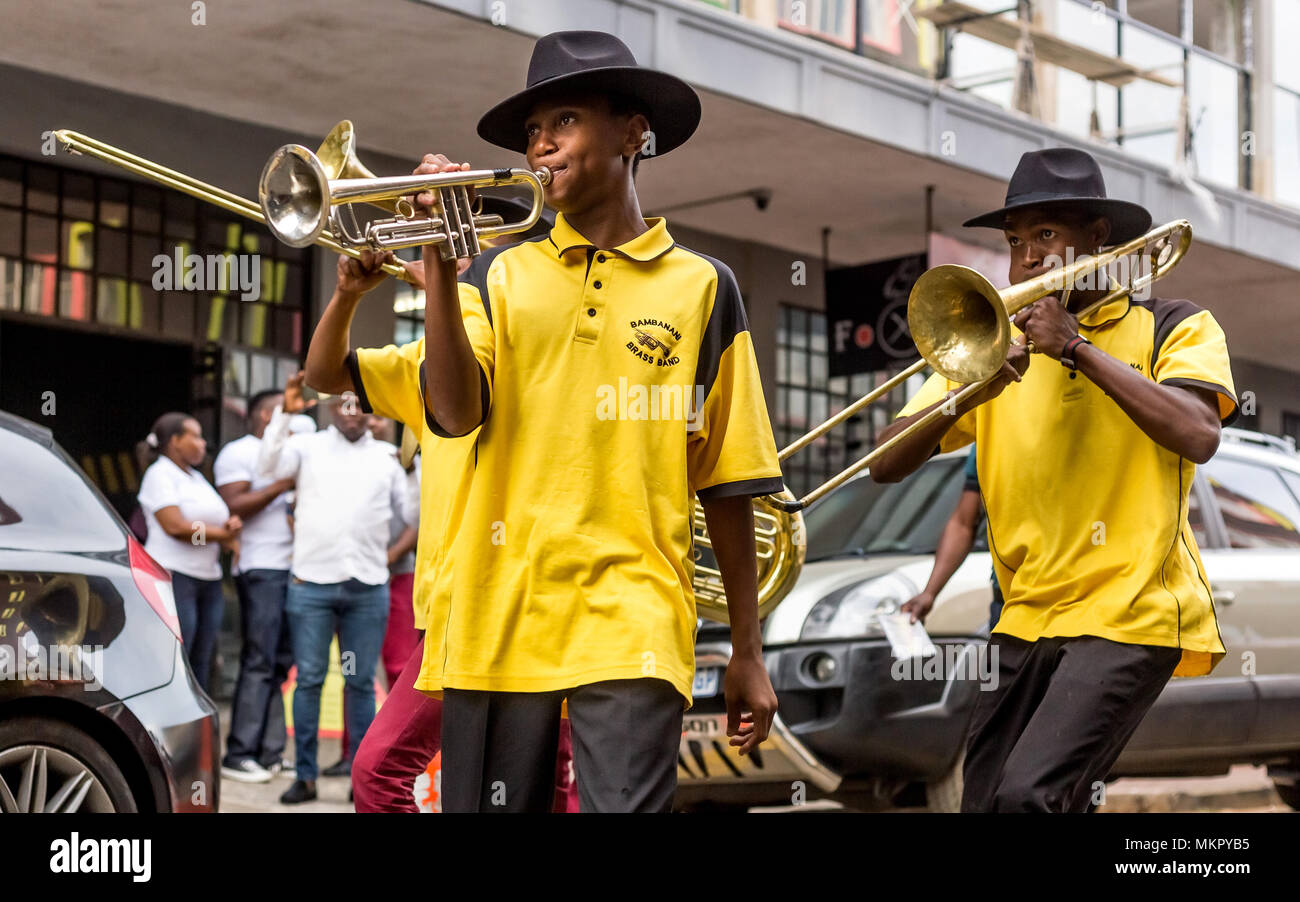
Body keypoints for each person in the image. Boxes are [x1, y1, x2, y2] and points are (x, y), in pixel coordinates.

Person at [309, 30, 784, 813]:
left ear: (634, 132)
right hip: (496, 620)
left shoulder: (707, 287)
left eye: (562, 121)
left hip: (631, 620)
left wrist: (746, 650)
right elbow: (456, 414)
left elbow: (728, 478)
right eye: (532, 132)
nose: (540, 146)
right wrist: (437, 271)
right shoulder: (496, 273)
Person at [869, 147, 1238, 813]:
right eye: (1015, 242)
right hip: (1025, 615)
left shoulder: (1174, 325)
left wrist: (1076, 348)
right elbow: (884, 461)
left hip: (1132, 613)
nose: (1029, 258)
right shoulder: (991, 344)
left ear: (1097, 239)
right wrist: (967, 396)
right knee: (984, 804)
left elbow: (1199, 433)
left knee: (1028, 797)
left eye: (1046, 235)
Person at [257, 380, 415, 804]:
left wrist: (416, 459)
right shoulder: (306, 446)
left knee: (360, 683)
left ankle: (359, 780)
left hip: (367, 587)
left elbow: (415, 514)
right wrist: (286, 414)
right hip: (311, 584)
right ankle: (305, 776)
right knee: (308, 681)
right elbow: (267, 466)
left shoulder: (387, 458)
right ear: (329, 410)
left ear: (371, 412)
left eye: (358, 405)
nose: (350, 412)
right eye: (342, 405)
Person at [214, 389, 297, 783]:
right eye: (288, 408)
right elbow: (233, 506)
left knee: (281, 666)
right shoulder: (240, 451)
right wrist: (281, 485)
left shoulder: (297, 449)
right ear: (268, 414)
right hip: (262, 568)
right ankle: (239, 753)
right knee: (260, 660)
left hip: (296, 570)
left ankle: (270, 752)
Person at [136, 412, 241, 693]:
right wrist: (222, 534)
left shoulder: (196, 478)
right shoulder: (159, 474)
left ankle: (197, 729)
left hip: (208, 578)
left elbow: (208, 521)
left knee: (201, 660)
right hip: (175, 576)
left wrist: (229, 523)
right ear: (175, 441)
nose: (203, 443)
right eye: (195, 436)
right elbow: (176, 528)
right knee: (176, 658)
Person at [901, 445, 1003, 630]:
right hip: (1009, 600)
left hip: (1069, 597)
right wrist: (929, 592)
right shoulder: (988, 435)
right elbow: (963, 524)